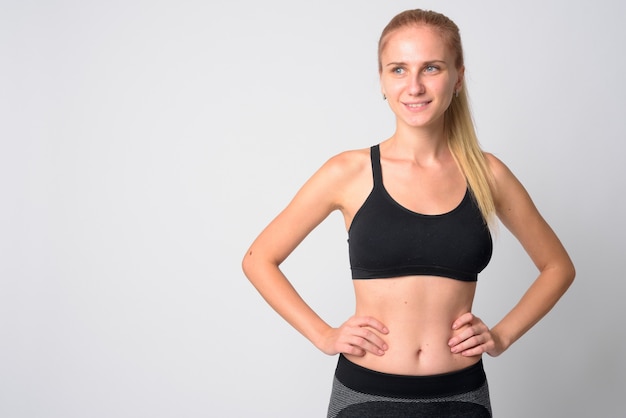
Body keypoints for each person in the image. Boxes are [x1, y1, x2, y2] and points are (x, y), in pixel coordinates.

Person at [242, 8, 575, 418]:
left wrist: (503, 335)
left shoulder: (488, 174)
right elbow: (259, 259)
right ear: (381, 81)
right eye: (398, 69)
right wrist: (323, 335)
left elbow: (557, 266)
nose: (414, 86)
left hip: (461, 398)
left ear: (458, 77)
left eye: (430, 68)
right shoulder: (348, 172)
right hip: (365, 398)